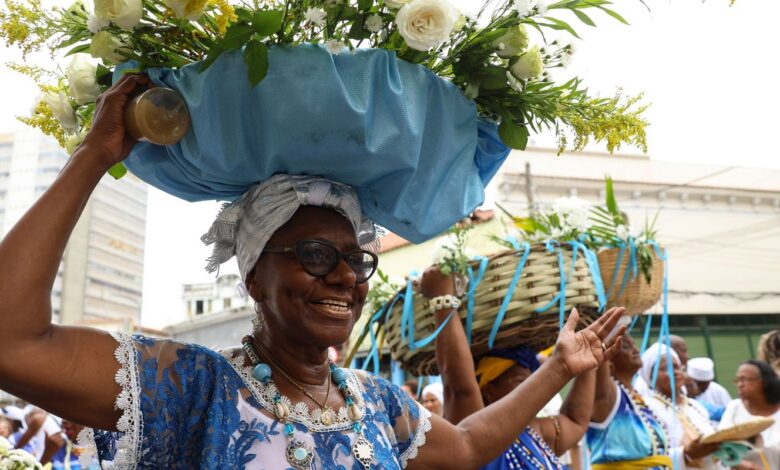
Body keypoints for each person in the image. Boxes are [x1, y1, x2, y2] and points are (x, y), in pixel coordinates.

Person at [0, 74, 627, 469]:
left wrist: (559, 367)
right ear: (253, 277)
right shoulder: (193, 385)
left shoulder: (377, 402)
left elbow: (465, 447)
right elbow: (12, 344)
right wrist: (96, 153)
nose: (346, 278)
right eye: (317, 256)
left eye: (356, 260)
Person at [428, 259, 616, 469]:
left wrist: (588, 361)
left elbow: (576, 419)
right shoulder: (476, 433)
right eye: (519, 380)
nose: (534, 384)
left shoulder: (535, 432)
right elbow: (459, 387)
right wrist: (443, 300)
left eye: (531, 377)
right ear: (488, 390)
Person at [589, 333, 674, 469]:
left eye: (634, 345)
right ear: (608, 360)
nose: (636, 350)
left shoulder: (636, 399)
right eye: (626, 346)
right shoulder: (607, 398)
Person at [640, 344, 723, 469]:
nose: (674, 372)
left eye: (676, 367)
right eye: (665, 368)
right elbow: (650, 457)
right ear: (651, 377)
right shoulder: (647, 408)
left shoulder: (695, 406)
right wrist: (685, 455)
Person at [719, 360, 780, 450]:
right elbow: (722, 443)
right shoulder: (734, 407)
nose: (740, 385)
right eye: (737, 380)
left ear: (765, 382)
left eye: (745, 379)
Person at [687, 357, 731, 422]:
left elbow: (730, 414)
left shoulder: (718, 391)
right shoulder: (681, 392)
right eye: (699, 384)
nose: (704, 387)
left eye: (705, 383)